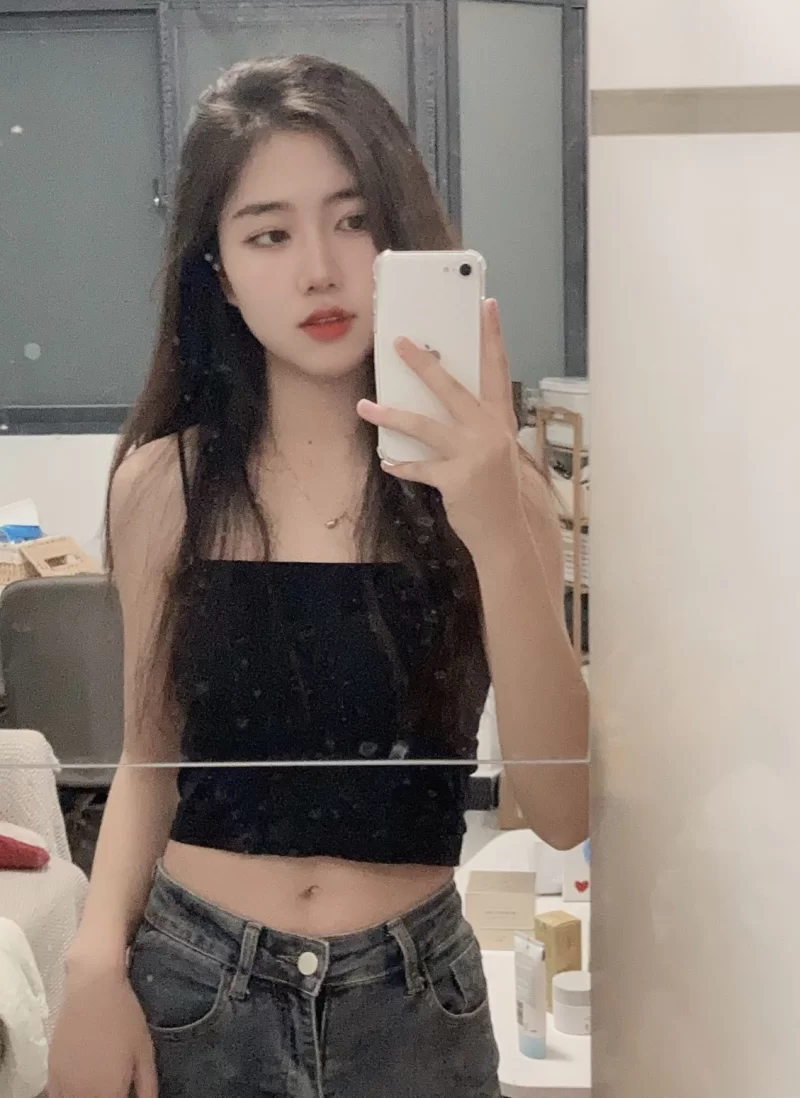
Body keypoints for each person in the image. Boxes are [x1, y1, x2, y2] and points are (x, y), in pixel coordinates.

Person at [47, 55, 588, 1098]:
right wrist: (92, 966)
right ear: (217, 269)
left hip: (413, 1003)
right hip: (194, 985)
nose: (320, 271)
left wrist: (494, 527)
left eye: (353, 221)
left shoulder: (498, 489)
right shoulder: (167, 486)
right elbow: (148, 757)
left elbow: (562, 810)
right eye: (269, 234)